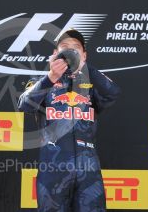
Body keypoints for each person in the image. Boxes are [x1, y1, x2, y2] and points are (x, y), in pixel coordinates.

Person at [18, 29, 121, 212]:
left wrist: (86, 69)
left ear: (84, 54)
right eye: (65, 47)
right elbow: (24, 105)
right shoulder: (41, 81)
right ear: (55, 54)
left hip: (88, 170)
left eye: (76, 48)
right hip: (53, 169)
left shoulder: (92, 83)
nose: (71, 51)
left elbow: (113, 92)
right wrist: (51, 77)